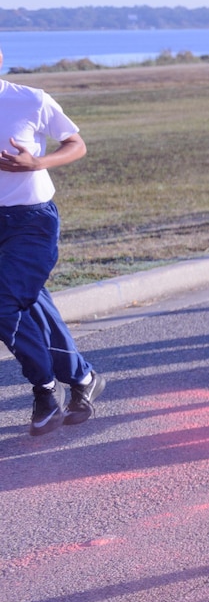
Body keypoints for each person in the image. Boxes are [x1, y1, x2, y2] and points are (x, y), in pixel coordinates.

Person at [0, 51, 104, 436]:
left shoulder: (30, 100)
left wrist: (37, 164)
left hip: (31, 220)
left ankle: (45, 391)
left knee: (4, 302)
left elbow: (76, 144)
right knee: (30, 302)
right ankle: (82, 377)